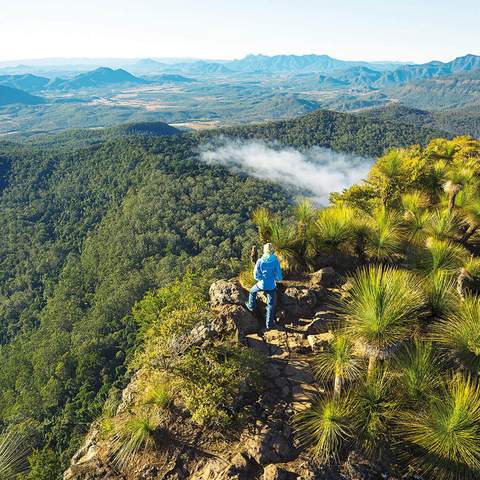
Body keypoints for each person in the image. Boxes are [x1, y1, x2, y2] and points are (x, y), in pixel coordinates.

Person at [245, 243, 282, 330]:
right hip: (271, 285)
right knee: (271, 305)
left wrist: (262, 279)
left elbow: (255, 275)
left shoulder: (260, 261)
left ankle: (251, 306)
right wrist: (273, 278)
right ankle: (269, 325)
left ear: (264, 251)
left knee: (252, 291)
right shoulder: (275, 260)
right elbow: (279, 276)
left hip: (261, 284)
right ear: (272, 250)